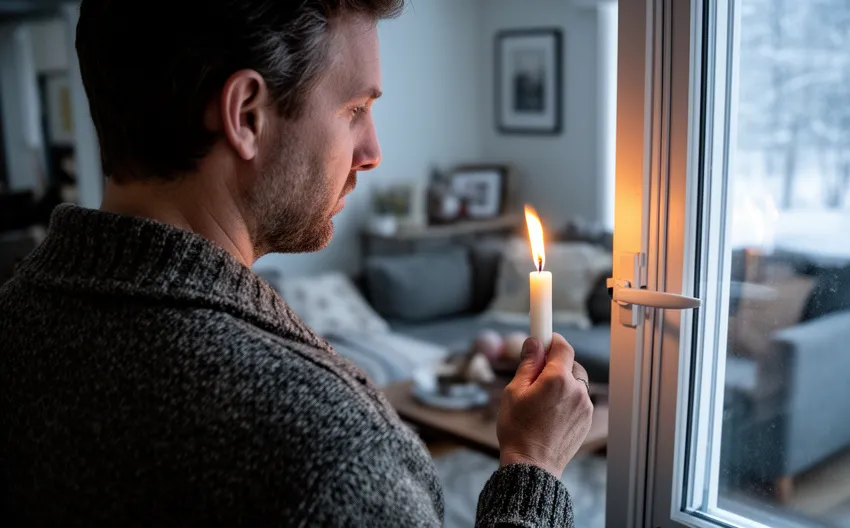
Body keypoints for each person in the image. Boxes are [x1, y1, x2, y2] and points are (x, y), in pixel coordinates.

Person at [0, 1, 594, 526]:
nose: (373, 153)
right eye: (356, 109)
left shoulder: (17, 316)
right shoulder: (332, 454)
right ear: (247, 115)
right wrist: (531, 470)